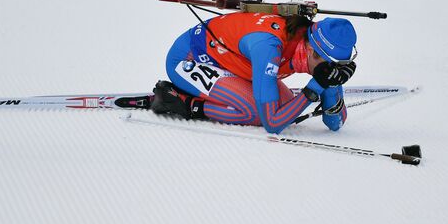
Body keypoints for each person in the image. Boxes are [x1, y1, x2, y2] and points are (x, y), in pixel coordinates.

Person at [151, 12, 357, 134]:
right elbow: (273, 124)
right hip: (189, 59)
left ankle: (221, 91)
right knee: (255, 113)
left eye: (340, 65)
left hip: (228, 61)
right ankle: (185, 103)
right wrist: (315, 87)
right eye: (331, 65)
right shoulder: (269, 47)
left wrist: (331, 84)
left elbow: (334, 124)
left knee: (288, 106)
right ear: (312, 51)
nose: (333, 70)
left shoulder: (310, 46)